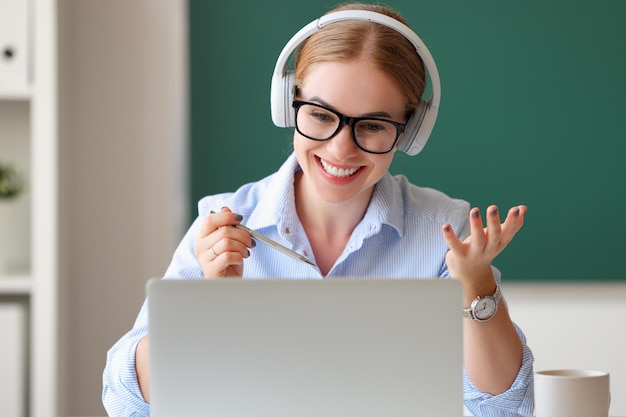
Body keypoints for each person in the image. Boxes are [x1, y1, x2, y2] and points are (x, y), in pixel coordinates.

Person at [102, 3, 534, 416]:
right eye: (321, 115)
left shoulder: (445, 232)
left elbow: (505, 409)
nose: (341, 149)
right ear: (287, 102)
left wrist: (477, 287)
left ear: (409, 131)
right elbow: (126, 403)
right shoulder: (221, 223)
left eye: (373, 125)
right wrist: (203, 307)